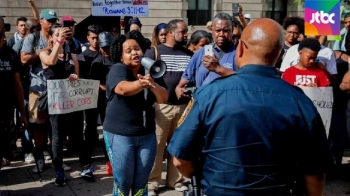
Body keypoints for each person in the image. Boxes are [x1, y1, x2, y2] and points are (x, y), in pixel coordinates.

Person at [168, 18, 334, 196]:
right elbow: (316, 174)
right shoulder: (301, 102)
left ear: (240, 48)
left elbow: (180, 160)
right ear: (280, 55)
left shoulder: (208, 96)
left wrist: (208, 177)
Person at [103, 30, 168, 196]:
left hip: (146, 135)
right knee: (123, 183)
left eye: (137, 49)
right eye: (129, 51)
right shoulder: (117, 69)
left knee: (141, 183)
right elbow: (123, 89)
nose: (134, 53)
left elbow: (163, 98)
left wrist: (153, 85)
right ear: (120, 56)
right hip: (120, 135)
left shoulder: (150, 69)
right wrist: (141, 84)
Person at [144, 19, 193, 196]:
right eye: (183, 31)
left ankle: (176, 181)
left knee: (177, 146)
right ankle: (152, 183)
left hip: (183, 108)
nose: (186, 35)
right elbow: (145, 78)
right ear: (171, 32)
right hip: (161, 107)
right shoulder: (154, 52)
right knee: (156, 146)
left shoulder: (189, 54)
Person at [39, 23, 81, 186]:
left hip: (70, 99)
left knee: (70, 134)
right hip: (56, 101)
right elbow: (50, 61)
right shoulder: (45, 53)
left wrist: (74, 77)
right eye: (57, 34)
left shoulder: (72, 55)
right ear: (50, 37)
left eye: (63, 35)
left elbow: (77, 75)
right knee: (56, 137)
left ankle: (79, 164)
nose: (61, 38)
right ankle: (59, 171)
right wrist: (58, 43)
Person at [176, 12, 236, 96]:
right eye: (218, 31)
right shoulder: (202, 52)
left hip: (225, 105)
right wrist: (179, 88)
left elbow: (245, 80)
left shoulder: (239, 53)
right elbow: (186, 78)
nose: (221, 34)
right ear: (212, 31)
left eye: (226, 30)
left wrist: (218, 68)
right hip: (202, 104)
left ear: (232, 31)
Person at [0, 16, 28, 169]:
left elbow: (18, 85)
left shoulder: (10, 54)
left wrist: (23, 114)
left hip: (7, 113)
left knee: (8, 154)